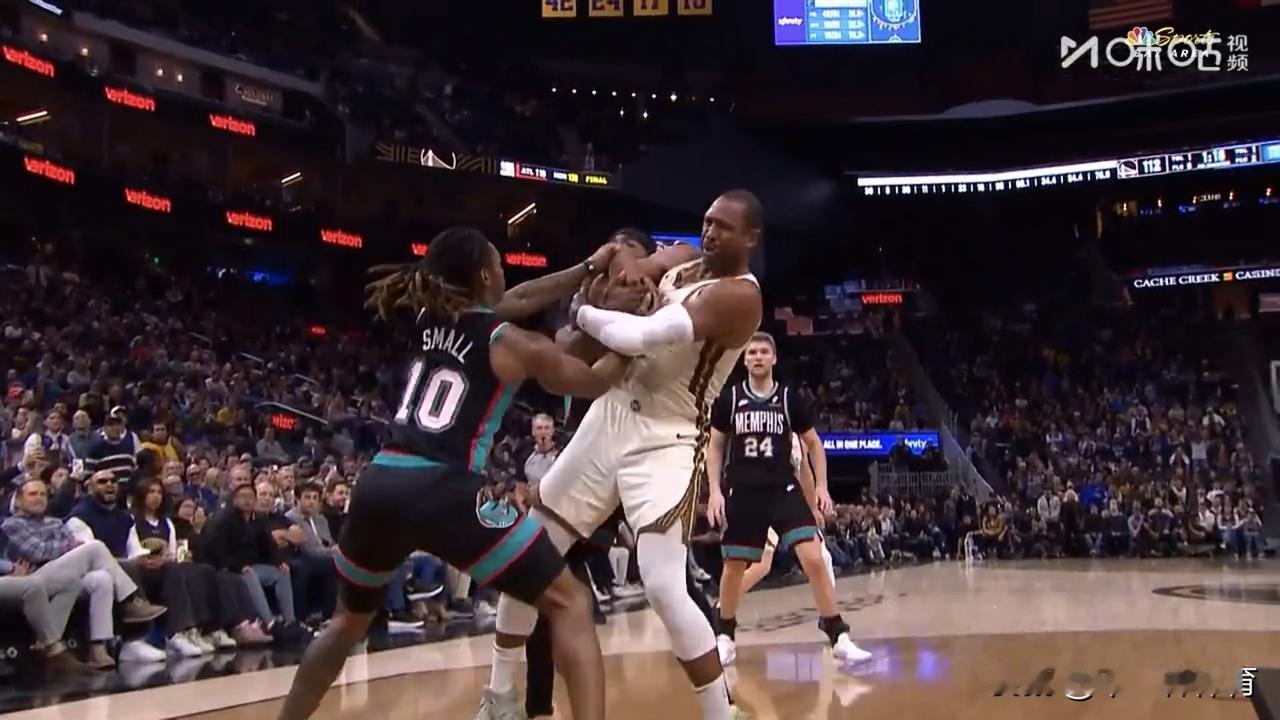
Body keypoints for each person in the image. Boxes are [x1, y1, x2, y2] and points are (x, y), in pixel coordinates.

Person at [276, 227, 630, 720]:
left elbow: (517, 298)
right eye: (499, 264)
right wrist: (633, 337)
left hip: (380, 481)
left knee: (345, 622)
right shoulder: (510, 343)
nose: (505, 273)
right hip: (442, 485)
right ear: (485, 275)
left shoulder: (430, 316)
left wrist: (587, 268)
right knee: (569, 601)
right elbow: (590, 381)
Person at [490, 191, 767, 720]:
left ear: (751, 238)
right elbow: (637, 263)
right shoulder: (686, 257)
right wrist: (624, 266)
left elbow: (641, 337)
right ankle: (499, 697)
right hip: (610, 413)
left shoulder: (740, 297)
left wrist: (584, 309)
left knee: (663, 585)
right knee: (530, 554)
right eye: (707, 221)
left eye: (724, 227)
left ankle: (720, 713)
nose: (710, 233)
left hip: (668, 434)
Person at [706, 333, 870, 668]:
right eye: (752, 352)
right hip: (743, 490)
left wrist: (822, 488)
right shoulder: (730, 398)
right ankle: (725, 636)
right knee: (734, 566)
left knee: (814, 559)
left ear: (774, 358)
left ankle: (837, 634)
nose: (757, 357)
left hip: (783, 488)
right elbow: (715, 445)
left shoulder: (788, 398)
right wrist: (714, 491)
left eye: (764, 351)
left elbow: (814, 445)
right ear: (744, 359)